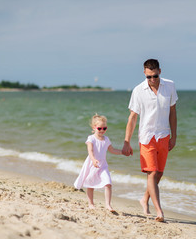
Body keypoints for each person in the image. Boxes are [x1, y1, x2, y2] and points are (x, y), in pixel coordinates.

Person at [122, 59, 178, 222]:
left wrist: (174, 136)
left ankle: (144, 199)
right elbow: (132, 117)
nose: (152, 80)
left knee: (159, 173)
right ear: (144, 74)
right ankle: (159, 211)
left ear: (160, 71)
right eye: (148, 77)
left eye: (154, 76)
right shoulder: (138, 91)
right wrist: (127, 141)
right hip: (147, 137)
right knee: (152, 173)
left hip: (163, 135)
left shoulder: (170, 86)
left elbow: (173, 113)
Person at [74, 114, 122, 212]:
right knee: (90, 185)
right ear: (94, 127)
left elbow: (112, 150)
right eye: (99, 128)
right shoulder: (91, 138)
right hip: (92, 165)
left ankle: (108, 205)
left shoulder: (106, 139)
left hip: (103, 166)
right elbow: (90, 151)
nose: (102, 130)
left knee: (108, 183)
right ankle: (91, 203)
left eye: (104, 128)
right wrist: (93, 160)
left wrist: (122, 152)